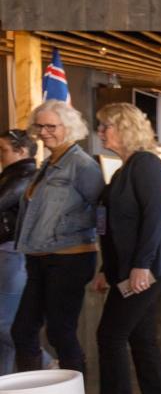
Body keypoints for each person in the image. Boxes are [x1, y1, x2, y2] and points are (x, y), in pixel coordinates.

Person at [91, 103, 161, 394]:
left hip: (151, 267)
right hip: (134, 267)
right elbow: (118, 225)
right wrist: (108, 268)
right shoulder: (125, 169)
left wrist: (141, 266)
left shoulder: (146, 164)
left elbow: (156, 217)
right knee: (140, 337)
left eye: (106, 126)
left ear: (125, 128)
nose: (100, 132)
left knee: (110, 334)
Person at [13, 101, 104, 373]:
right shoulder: (48, 163)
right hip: (39, 257)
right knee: (23, 330)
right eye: (39, 125)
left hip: (70, 258)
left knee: (60, 332)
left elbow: (102, 211)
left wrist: (68, 225)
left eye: (51, 126)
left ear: (69, 127)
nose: (43, 132)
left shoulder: (81, 164)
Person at [0, 129, 38, 375]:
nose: (0, 155)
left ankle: (43, 364)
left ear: (21, 150)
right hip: (10, 251)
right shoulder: (14, 175)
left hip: (13, 252)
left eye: (4, 150)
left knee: (6, 324)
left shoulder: (24, 176)